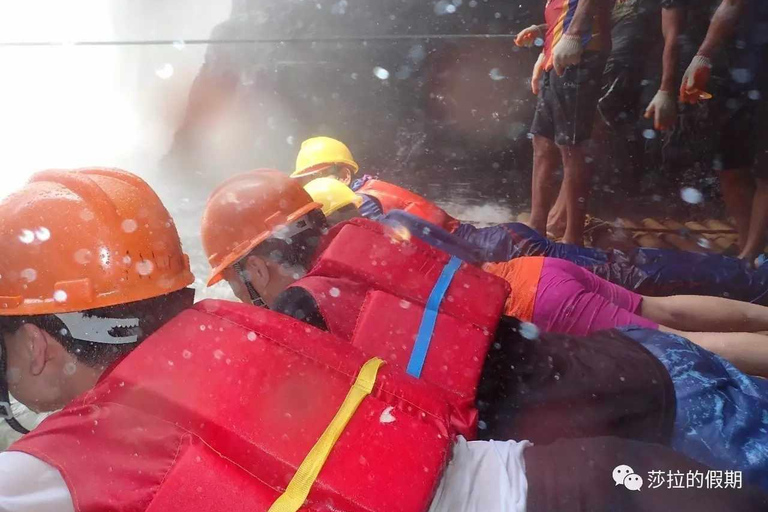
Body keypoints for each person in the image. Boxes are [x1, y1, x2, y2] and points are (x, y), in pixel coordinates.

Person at [4, 171, 763, 512]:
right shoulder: (273, 326)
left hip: (628, 451)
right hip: (630, 448)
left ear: (37, 345)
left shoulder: (280, 325)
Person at [202, 169, 768, 488]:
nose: (236, 294)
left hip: (657, 418)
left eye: (232, 280)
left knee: (729, 489)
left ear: (256, 267)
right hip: (629, 366)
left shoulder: (305, 314)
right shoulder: (379, 244)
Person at [672, 0, 768, 264]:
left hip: (758, 69)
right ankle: (746, 244)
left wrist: (702, 56)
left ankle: (751, 254)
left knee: (765, 172)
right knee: (729, 165)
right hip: (737, 72)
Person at [515, 0, 613, 245]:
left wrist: (573, 35)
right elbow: (565, 11)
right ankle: (536, 229)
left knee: (571, 147)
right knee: (542, 142)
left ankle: (573, 238)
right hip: (557, 55)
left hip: (577, 54)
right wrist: (542, 31)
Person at [291, 136, 460, 232]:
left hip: (466, 251)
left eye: (318, 178)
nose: (312, 189)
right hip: (457, 243)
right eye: (306, 183)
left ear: (344, 176)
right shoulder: (365, 190)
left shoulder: (361, 204)